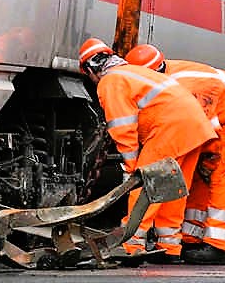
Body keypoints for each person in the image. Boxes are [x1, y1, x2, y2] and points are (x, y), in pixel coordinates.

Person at [125, 44, 225, 266]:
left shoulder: (188, 86)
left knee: (223, 174)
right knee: (198, 176)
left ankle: (218, 247)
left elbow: (191, 127)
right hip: (222, 111)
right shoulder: (167, 80)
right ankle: (191, 238)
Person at [79, 38, 217, 263]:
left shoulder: (111, 81)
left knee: (145, 183)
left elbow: (122, 126)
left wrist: (132, 166)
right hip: (196, 126)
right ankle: (169, 247)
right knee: (173, 187)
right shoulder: (135, 72)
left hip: (171, 127)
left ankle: (131, 245)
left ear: (91, 68)